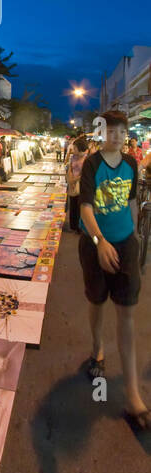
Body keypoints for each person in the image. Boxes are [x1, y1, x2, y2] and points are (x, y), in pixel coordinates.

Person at [76, 110, 148, 432]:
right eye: (111, 130)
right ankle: (97, 350)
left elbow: (131, 204)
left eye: (122, 131)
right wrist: (100, 241)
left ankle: (133, 393)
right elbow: (85, 208)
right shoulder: (92, 164)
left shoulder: (132, 164)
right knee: (96, 301)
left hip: (125, 244)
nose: (116, 136)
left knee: (127, 312)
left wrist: (132, 241)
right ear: (101, 133)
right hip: (94, 245)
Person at [65, 136, 89, 232]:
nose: (73, 150)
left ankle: (80, 227)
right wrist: (70, 179)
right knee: (73, 204)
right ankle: (73, 225)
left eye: (74, 148)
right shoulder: (73, 157)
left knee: (81, 206)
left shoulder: (87, 159)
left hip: (82, 185)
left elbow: (86, 173)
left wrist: (75, 180)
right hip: (72, 183)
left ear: (80, 148)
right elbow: (70, 167)